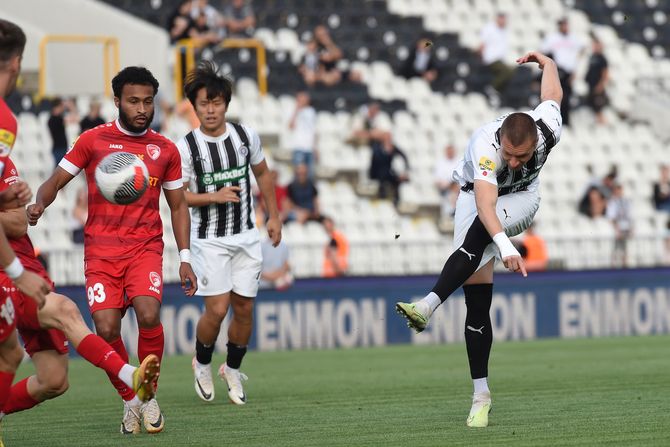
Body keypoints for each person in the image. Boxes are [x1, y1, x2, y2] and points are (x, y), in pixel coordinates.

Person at [396, 51, 563, 428]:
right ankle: (481, 396)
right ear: (500, 140)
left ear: (535, 141)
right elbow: (486, 205)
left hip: (522, 198)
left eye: (521, 156)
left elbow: (552, 97)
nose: (514, 161)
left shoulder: (548, 129)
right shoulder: (485, 145)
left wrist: (548, 64)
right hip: (476, 196)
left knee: (476, 238)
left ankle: (426, 306)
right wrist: (506, 247)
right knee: (477, 298)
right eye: (509, 154)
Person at [27, 66, 198, 435]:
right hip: (101, 251)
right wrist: (40, 205)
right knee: (105, 328)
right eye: (134, 101)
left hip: (145, 247)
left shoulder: (165, 149)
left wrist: (185, 258)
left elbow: (179, 206)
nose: (141, 109)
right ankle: (130, 398)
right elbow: (55, 181)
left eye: (148, 102)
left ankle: (148, 394)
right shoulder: (93, 141)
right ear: (117, 100)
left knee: (149, 313)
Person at [0, 154, 161, 430]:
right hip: (8, 274)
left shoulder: (2, 161)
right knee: (62, 312)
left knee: (54, 381)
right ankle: (130, 376)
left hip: (26, 268)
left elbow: (17, 223)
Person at [176, 62, 281, 405]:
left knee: (245, 310)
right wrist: (213, 196)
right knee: (218, 310)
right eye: (204, 103)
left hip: (247, 236)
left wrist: (274, 216)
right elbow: (177, 198)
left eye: (217, 102)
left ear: (225, 104)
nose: (210, 109)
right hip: (209, 240)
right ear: (194, 105)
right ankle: (202, 362)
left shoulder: (244, 135)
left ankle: (232, 369)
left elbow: (263, 174)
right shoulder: (187, 146)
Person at [0, 21, 69, 446]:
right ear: (19, 63)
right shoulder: (4, 120)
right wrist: (14, 268)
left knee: (13, 354)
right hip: (12, 265)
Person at [541, 17, 584, 126]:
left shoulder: (573, 38)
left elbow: (581, 50)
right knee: (557, 97)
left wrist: (575, 69)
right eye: (562, 25)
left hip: (569, 73)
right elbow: (544, 51)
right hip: (558, 71)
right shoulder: (553, 38)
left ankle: (565, 122)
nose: (564, 27)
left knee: (566, 98)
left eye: (565, 25)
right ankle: (556, 121)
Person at [369, 132, 409, 206]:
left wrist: (405, 171)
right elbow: (376, 161)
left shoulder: (392, 147)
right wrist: (386, 153)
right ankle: (382, 198)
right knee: (383, 178)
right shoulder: (378, 147)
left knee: (397, 180)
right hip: (378, 172)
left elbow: (403, 156)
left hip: (389, 171)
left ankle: (396, 200)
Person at [479, 13, 514, 93]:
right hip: (491, 59)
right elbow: (482, 44)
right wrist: (481, 58)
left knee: (512, 71)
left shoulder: (503, 30)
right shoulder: (489, 28)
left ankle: (499, 90)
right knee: (507, 72)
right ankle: (492, 88)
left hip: (499, 60)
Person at [288, 91, 317, 178]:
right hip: (299, 147)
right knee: (298, 174)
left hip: (309, 148)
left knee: (310, 175)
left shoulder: (312, 111)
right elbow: (290, 126)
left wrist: (315, 147)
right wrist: (297, 110)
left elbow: (314, 130)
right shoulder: (293, 110)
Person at [606, 182, 632, 268]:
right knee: (616, 248)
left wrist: (631, 228)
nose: (619, 192)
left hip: (625, 227)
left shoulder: (626, 201)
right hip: (617, 229)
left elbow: (629, 216)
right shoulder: (612, 202)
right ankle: (612, 265)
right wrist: (617, 229)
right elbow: (611, 217)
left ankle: (624, 265)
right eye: (617, 190)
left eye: (620, 190)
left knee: (624, 248)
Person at [585, 36, 609, 125]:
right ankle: (597, 122)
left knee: (598, 106)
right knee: (592, 105)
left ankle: (602, 123)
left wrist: (601, 85)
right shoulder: (592, 57)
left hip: (598, 86)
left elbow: (605, 73)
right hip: (591, 85)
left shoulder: (602, 59)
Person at [47, 97, 77, 165]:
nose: (63, 108)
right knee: (59, 169)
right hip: (59, 148)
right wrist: (72, 108)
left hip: (60, 147)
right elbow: (73, 119)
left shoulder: (54, 119)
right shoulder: (55, 119)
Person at [434, 144, 460, 219]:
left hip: (456, 187)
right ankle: (451, 211)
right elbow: (437, 180)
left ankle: (453, 211)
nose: (450, 152)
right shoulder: (440, 163)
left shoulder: (459, 161)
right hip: (445, 188)